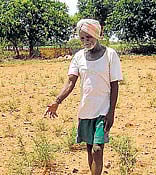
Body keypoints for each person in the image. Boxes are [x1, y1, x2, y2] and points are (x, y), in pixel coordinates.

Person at [44, 19, 123, 175]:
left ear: (97, 35)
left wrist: (111, 112)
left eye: (89, 37)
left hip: (103, 111)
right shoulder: (79, 57)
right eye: (82, 38)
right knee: (89, 150)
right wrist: (56, 101)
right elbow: (70, 82)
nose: (86, 41)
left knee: (97, 149)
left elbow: (115, 85)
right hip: (86, 111)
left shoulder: (110, 55)